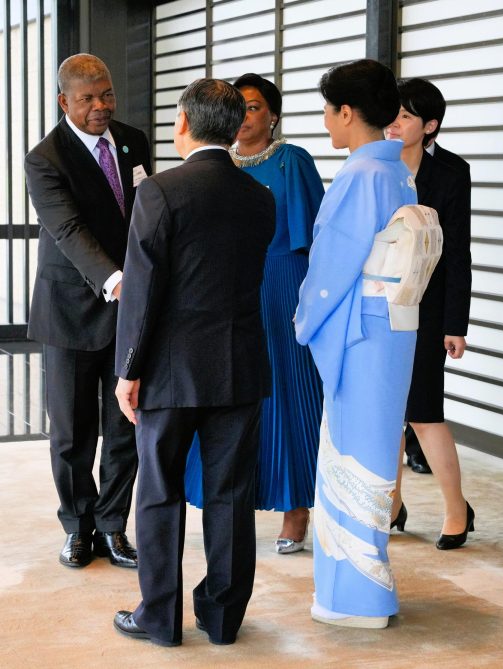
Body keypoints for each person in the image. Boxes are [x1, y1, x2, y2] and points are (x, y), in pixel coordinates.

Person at [112, 78, 275, 646]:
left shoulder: (160, 192)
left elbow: (142, 292)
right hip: (240, 365)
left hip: (170, 370)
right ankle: (223, 618)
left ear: (182, 122)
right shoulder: (259, 196)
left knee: (160, 492)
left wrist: (128, 370)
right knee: (231, 494)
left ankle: (159, 618)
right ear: (234, 128)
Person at [294, 59, 417, 629]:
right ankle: (366, 582)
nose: (325, 121)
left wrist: (304, 318)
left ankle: (355, 597)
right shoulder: (396, 170)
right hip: (392, 328)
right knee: (372, 445)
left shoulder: (361, 174)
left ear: (346, 112)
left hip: (361, 331)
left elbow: (333, 264)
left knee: (351, 449)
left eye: (327, 110)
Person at [184, 73, 324, 554]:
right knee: (228, 395)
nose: (245, 117)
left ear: (273, 115)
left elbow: (316, 237)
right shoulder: (216, 162)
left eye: (255, 107)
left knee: (287, 394)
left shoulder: (292, 161)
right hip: (226, 287)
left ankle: (296, 507)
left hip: (282, 286)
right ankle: (231, 497)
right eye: (238, 108)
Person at [24, 53, 152, 569]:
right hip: (72, 308)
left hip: (130, 309)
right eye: (88, 99)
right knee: (72, 431)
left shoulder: (133, 141)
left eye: (107, 95)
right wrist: (117, 280)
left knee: (125, 424)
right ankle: (77, 527)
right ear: (64, 101)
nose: (101, 106)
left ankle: (113, 525)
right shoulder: (45, 159)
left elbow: (145, 213)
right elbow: (68, 229)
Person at [385, 78, 474, 549]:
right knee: (387, 411)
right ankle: (392, 503)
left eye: (405, 116)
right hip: (380, 304)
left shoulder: (452, 172)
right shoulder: (376, 165)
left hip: (429, 307)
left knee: (422, 411)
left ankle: (457, 509)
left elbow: (458, 252)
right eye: (392, 114)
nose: (394, 123)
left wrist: (456, 324)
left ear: (430, 125)